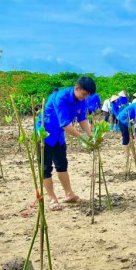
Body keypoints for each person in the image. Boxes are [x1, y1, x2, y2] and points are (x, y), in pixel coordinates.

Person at [36, 76, 97, 211]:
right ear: (77, 88)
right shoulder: (61, 98)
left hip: (58, 136)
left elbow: (82, 119)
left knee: (62, 164)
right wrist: (82, 138)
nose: (85, 97)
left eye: (87, 95)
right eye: (84, 94)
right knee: (45, 168)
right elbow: (65, 125)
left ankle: (69, 194)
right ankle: (52, 199)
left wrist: (91, 135)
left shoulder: (81, 100)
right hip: (44, 134)